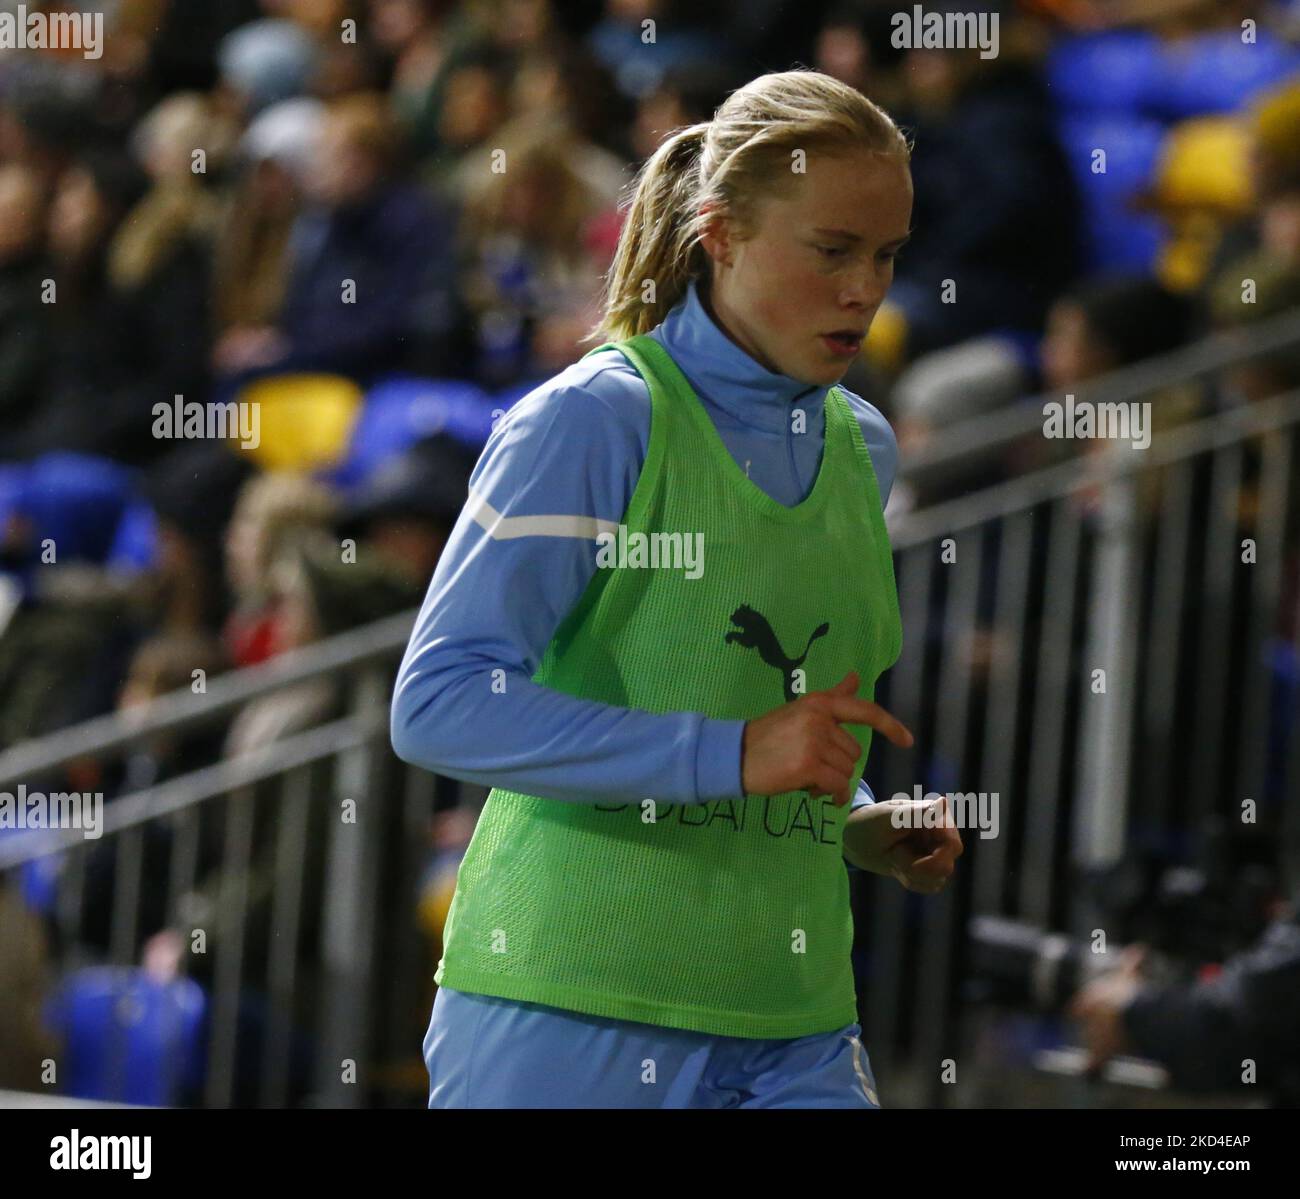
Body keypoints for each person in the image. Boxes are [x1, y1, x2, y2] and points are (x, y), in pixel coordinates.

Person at [392, 68, 963, 1110]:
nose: (864, 290)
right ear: (722, 234)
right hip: (571, 1004)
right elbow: (439, 704)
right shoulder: (593, 419)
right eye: (831, 250)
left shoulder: (862, 448)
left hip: (795, 1013)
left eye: (885, 255)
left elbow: (773, 726)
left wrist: (858, 816)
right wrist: (734, 753)